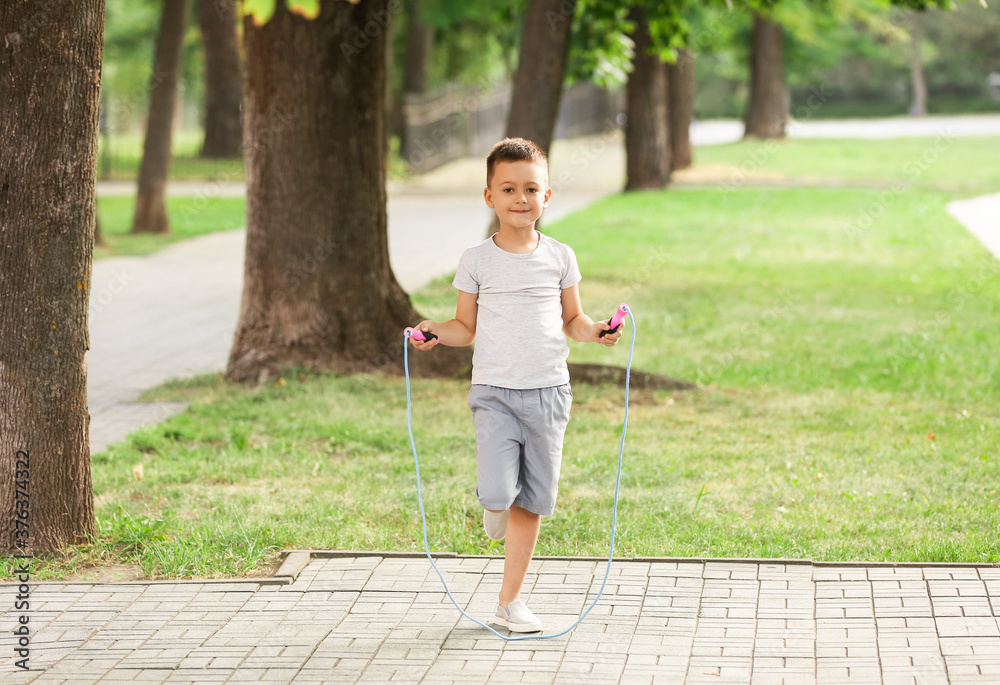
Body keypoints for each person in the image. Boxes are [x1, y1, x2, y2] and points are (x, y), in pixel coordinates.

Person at [409, 137, 623, 633]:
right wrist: (436, 333)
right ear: (490, 197)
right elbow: (466, 326)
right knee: (499, 493)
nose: (521, 198)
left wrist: (596, 332)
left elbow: (574, 319)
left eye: (532, 189)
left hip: (549, 393)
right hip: (494, 393)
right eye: (509, 189)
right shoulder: (476, 260)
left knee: (534, 500)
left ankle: (510, 603)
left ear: (547, 197)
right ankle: (495, 503)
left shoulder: (560, 257)